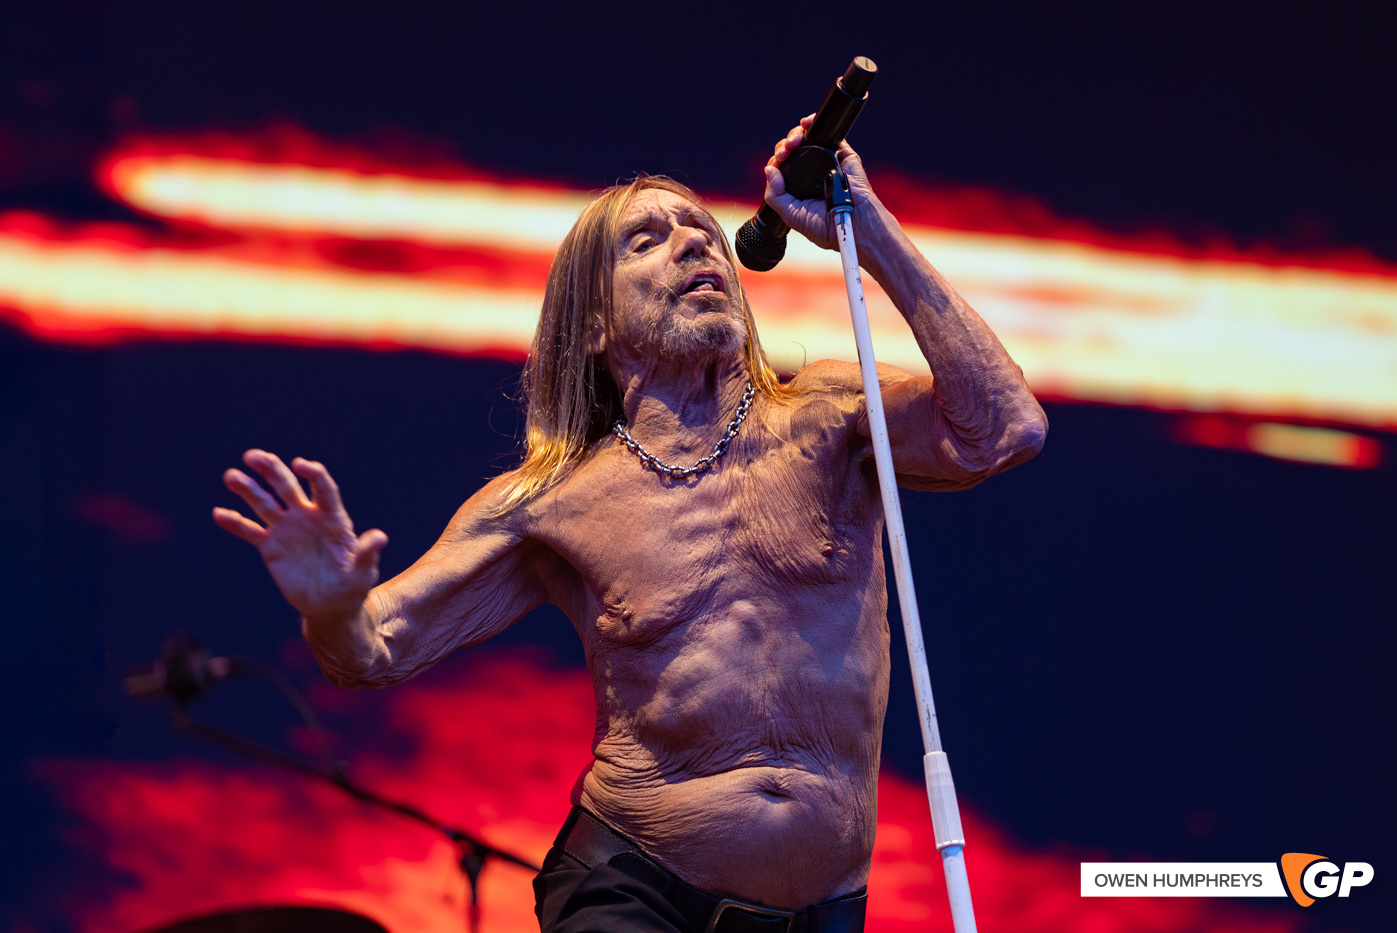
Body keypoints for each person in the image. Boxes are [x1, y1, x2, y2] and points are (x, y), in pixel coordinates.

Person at [213, 117, 1047, 932]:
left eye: (703, 232)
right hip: (634, 888)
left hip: (820, 911)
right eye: (647, 240)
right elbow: (370, 649)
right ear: (593, 326)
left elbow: (1006, 428)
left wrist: (868, 228)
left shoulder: (828, 413)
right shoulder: (549, 499)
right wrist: (331, 605)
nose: (693, 244)